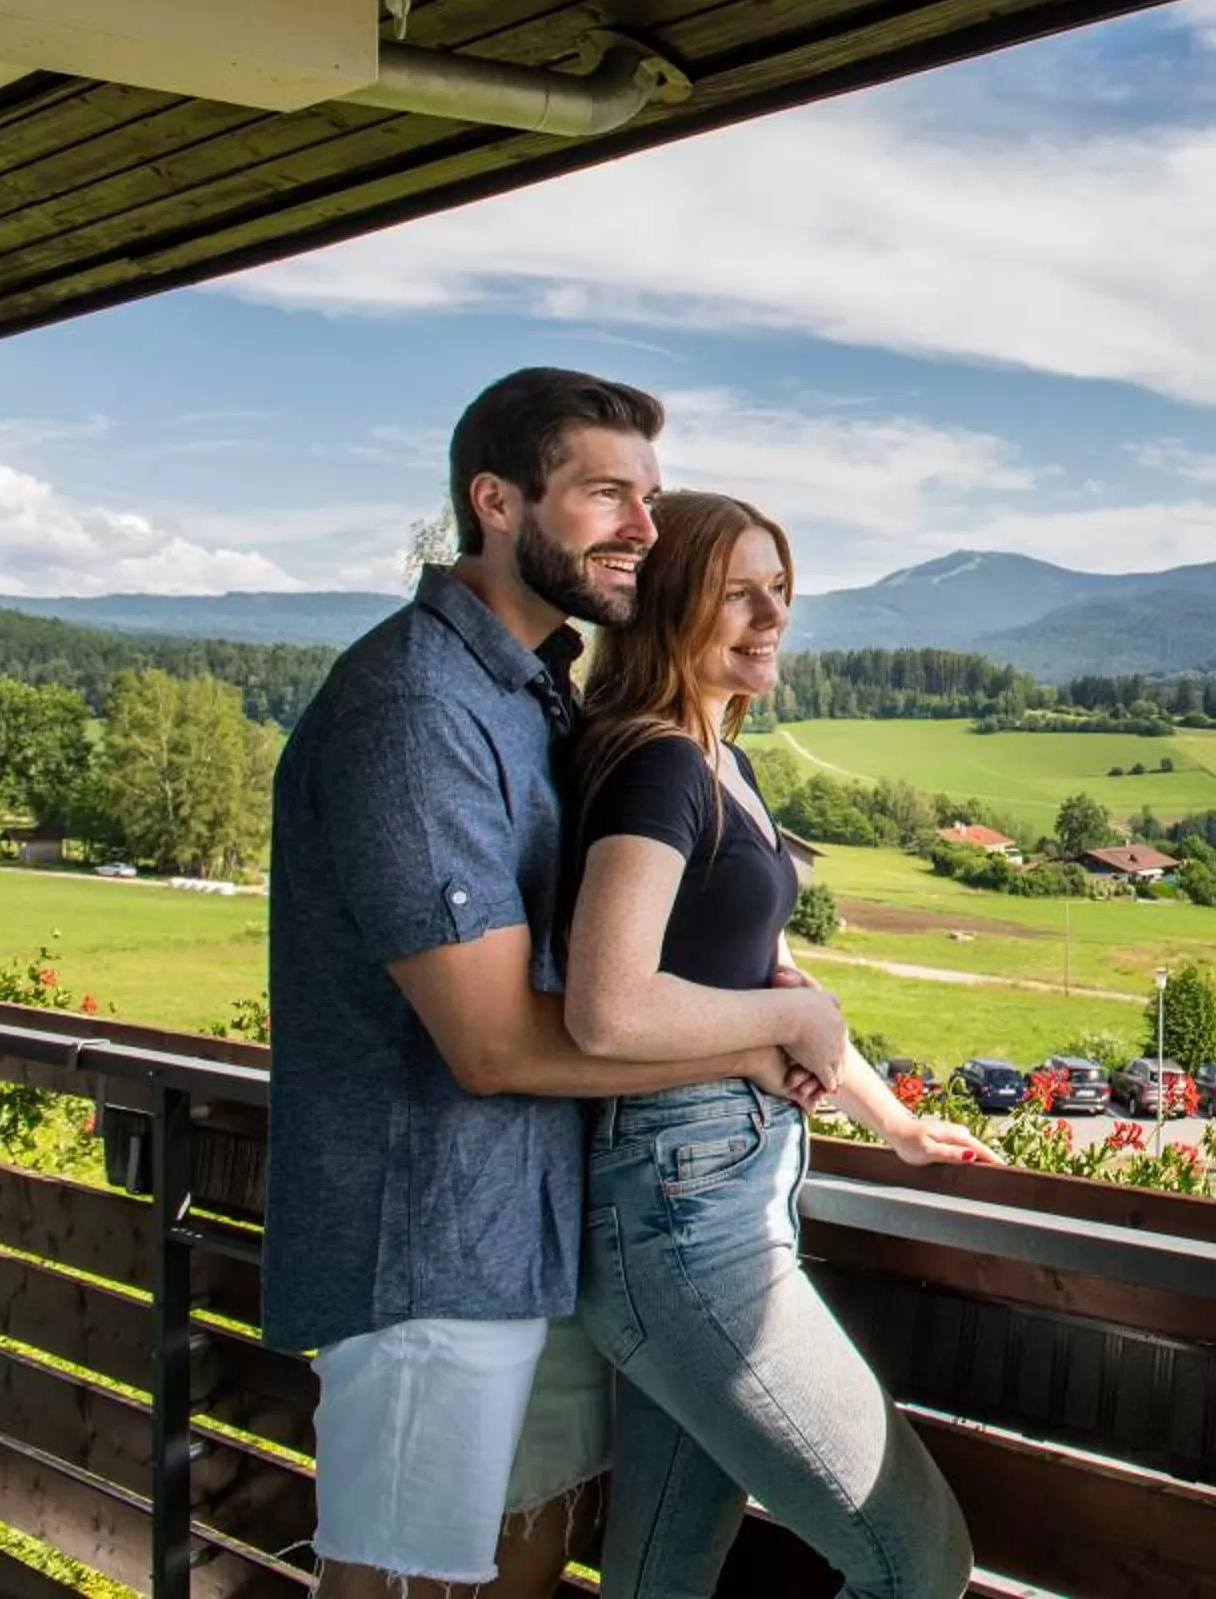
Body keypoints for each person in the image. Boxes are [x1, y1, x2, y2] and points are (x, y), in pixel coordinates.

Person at [263, 371, 852, 1599]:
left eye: (647, 495)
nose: (643, 524)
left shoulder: (533, 691)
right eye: (604, 492)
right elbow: (487, 1041)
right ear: (494, 501)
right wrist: (757, 1043)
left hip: (526, 1228)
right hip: (424, 1242)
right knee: (396, 1587)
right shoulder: (415, 706)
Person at [564, 490, 994, 1599]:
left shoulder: (722, 763)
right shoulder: (657, 765)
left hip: (704, 1198)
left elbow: (770, 984)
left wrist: (889, 1117)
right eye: (736, 592)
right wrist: (783, 1025)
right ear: (665, 606)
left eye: (780, 589)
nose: (772, 616)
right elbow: (607, 1007)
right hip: (684, 1218)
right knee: (919, 1557)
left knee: (661, 1579)